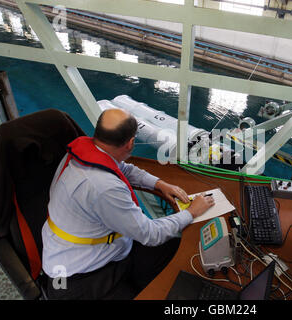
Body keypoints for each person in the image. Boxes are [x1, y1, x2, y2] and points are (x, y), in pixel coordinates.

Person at [41, 108, 214, 299]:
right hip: (79, 277)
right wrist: (192, 212)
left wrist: (159, 183)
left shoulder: (84, 152)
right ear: (131, 143)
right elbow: (150, 234)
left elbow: (123, 169)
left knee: (172, 247)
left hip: (104, 251)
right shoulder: (104, 188)